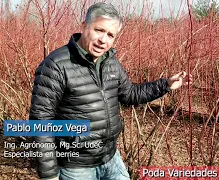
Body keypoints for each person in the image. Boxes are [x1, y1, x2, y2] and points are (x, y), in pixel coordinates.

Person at [29, 2, 192, 180]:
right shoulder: (56, 65)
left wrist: (166, 84)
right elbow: (41, 121)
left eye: (110, 35)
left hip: (110, 157)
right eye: (99, 30)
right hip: (76, 165)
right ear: (84, 27)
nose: (103, 40)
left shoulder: (110, 63)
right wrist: (49, 174)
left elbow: (130, 94)